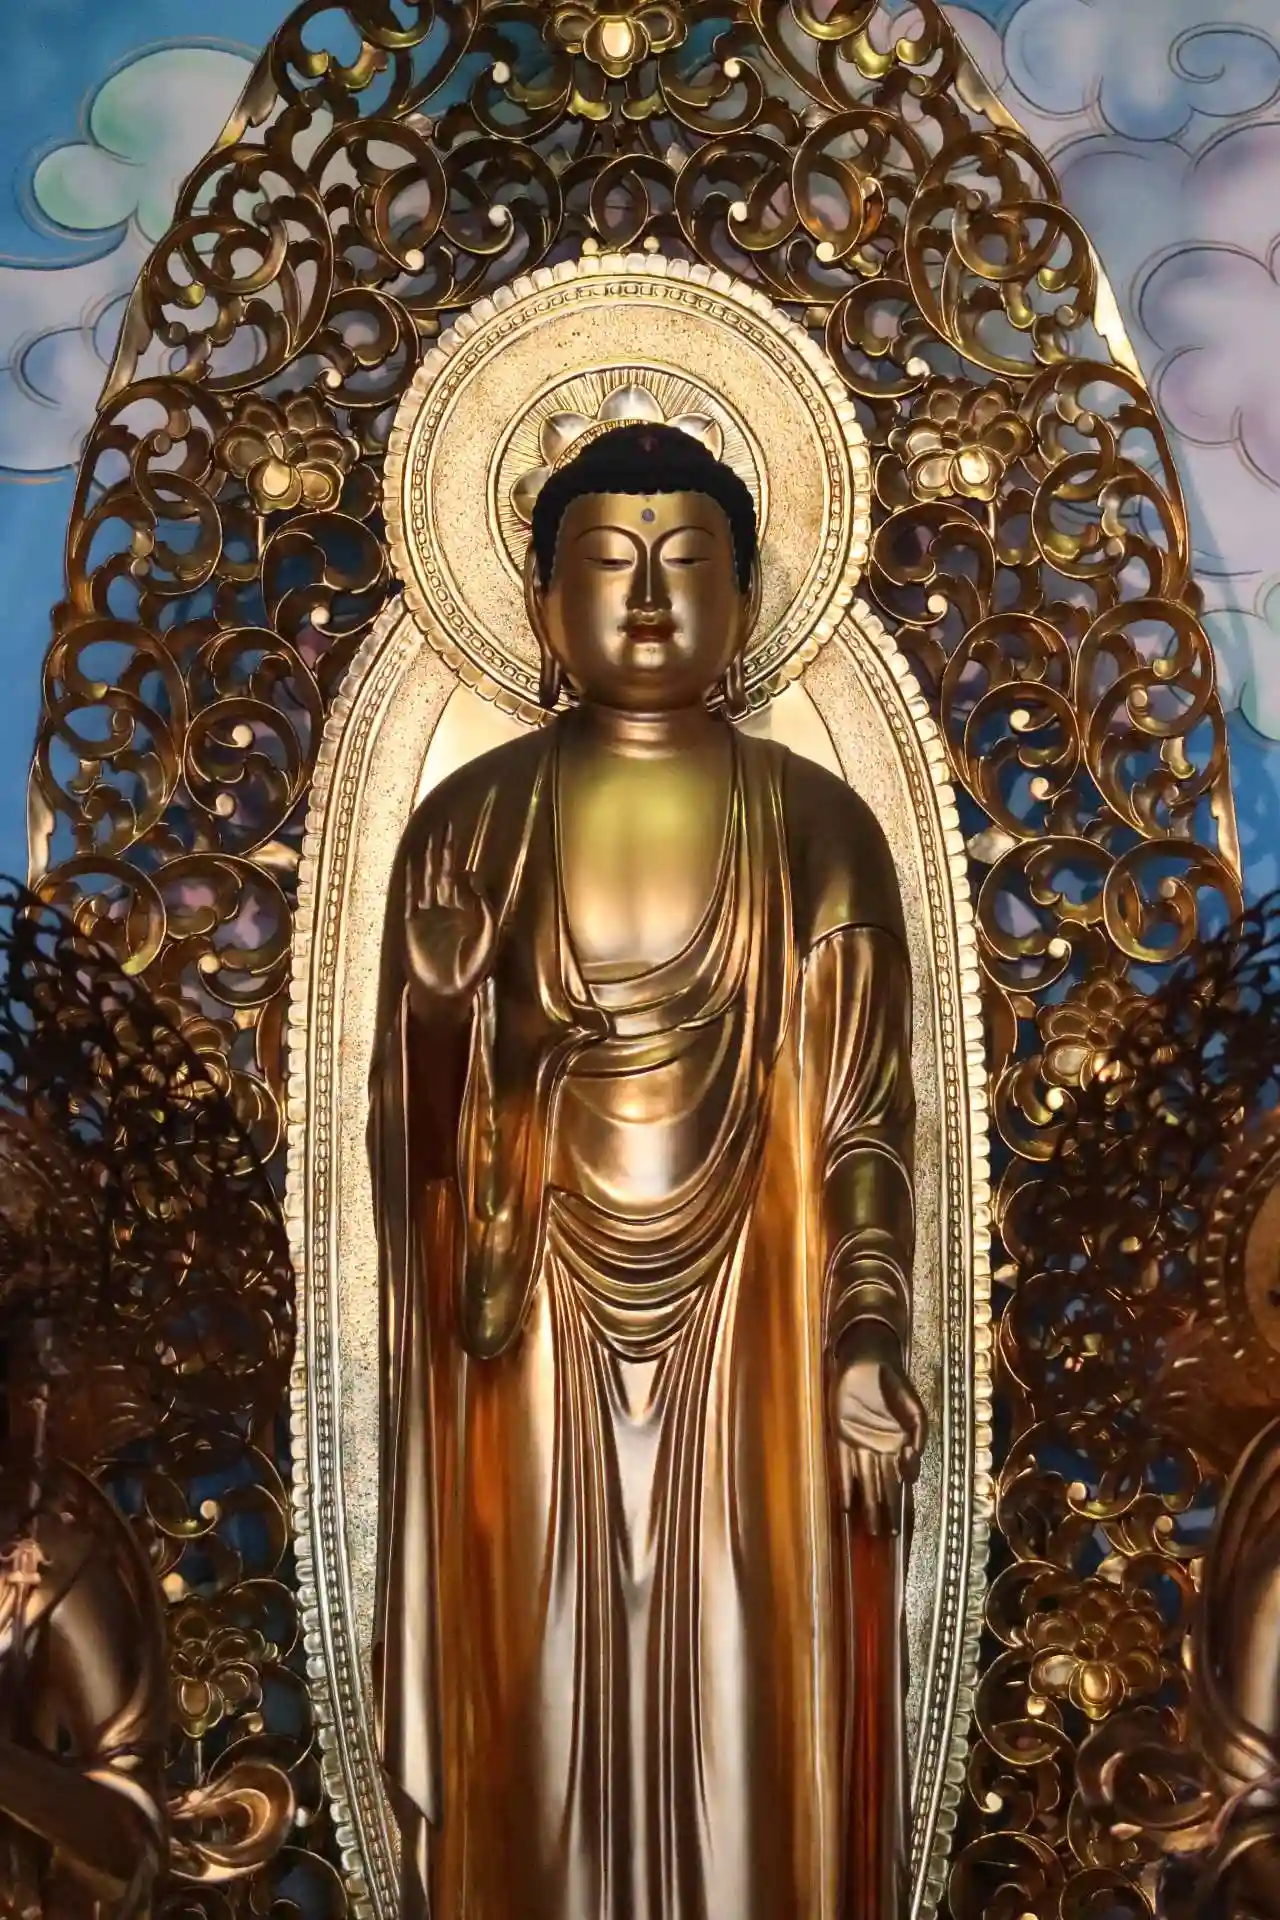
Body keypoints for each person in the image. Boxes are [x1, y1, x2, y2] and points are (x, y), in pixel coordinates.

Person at [369, 422, 927, 1918]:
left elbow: (866, 1122)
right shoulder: (468, 828)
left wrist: (867, 1335)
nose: (651, 600)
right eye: (608, 564)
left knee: (746, 1682)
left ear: (747, 597)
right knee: (535, 1694)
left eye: (690, 563)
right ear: (540, 603)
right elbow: (410, 1169)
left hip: (755, 1330)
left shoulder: (819, 830)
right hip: (527, 1332)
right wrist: (444, 1024)